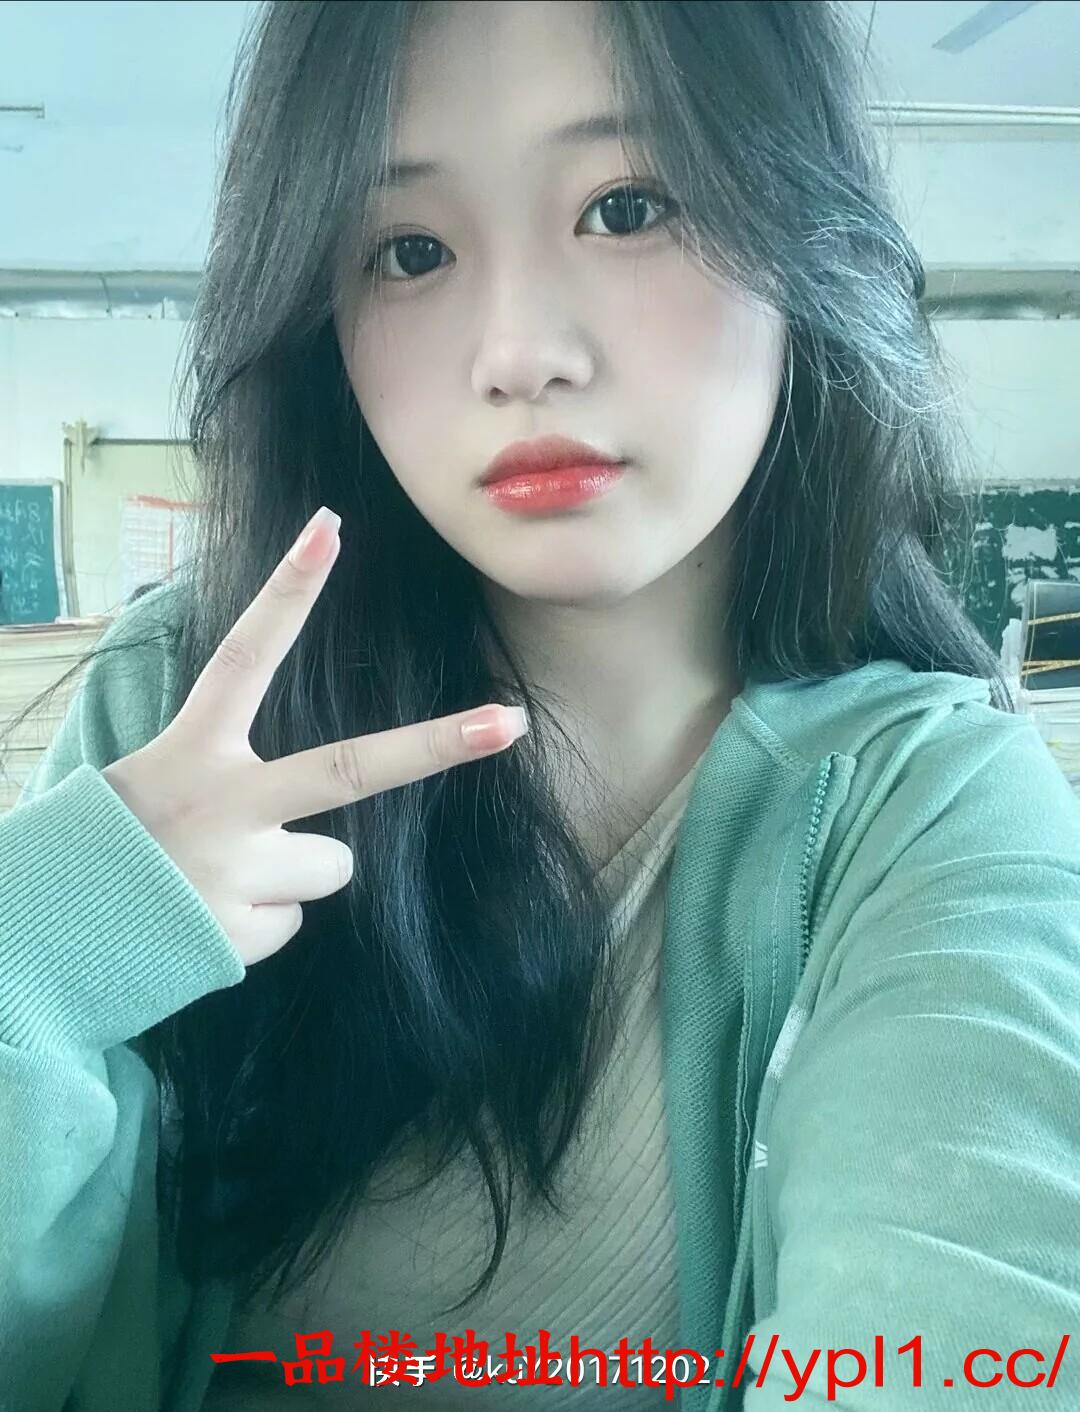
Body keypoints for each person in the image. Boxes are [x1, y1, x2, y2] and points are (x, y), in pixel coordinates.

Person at [1, 2, 1078, 1409]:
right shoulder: (188, 713)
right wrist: (38, 948)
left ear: (805, 236)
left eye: (628, 207)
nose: (517, 353)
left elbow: (975, 1301)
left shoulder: (928, 810)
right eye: (410, 251)